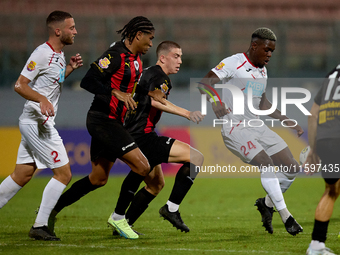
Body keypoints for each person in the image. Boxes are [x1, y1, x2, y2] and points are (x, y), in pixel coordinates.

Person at [48, 16, 164, 240]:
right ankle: (119, 218)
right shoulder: (116, 55)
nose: (151, 44)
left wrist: (149, 93)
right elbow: (88, 81)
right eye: (149, 39)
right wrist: (114, 92)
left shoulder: (137, 60)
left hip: (117, 122)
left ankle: (50, 210)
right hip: (102, 119)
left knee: (98, 178)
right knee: (142, 167)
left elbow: (131, 88)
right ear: (138, 35)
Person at [199, 27, 303, 235]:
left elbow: (261, 102)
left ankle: (266, 204)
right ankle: (286, 217)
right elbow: (205, 82)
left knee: (292, 167)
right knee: (267, 163)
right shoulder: (234, 62)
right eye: (266, 50)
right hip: (235, 128)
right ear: (254, 45)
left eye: (272, 51)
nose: (270, 55)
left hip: (257, 126)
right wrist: (215, 100)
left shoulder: (262, 70)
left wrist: (285, 119)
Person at [0, 11, 83, 241]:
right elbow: (20, 85)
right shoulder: (42, 53)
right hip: (38, 122)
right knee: (64, 173)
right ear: (58, 31)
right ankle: (40, 225)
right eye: (72, 27)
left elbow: (52, 82)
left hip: (36, 121)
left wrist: (69, 70)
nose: (75, 31)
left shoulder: (59, 54)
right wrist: (42, 100)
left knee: (22, 174)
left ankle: (40, 225)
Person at [113, 41, 204, 234]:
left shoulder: (148, 72)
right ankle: (171, 209)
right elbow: (156, 101)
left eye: (181, 56)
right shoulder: (160, 76)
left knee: (155, 185)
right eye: (176, 56)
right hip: (142, 136)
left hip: (133, 133)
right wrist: (187, 113)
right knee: (196, 158)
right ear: (163, 58)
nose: (180, 61)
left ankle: (123, 224)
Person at [304, 65, 340, 255]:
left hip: (326, 139)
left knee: (331, 190)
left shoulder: (332, 74)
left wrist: (313, 149)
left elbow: (313, 115)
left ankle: (316, 245)